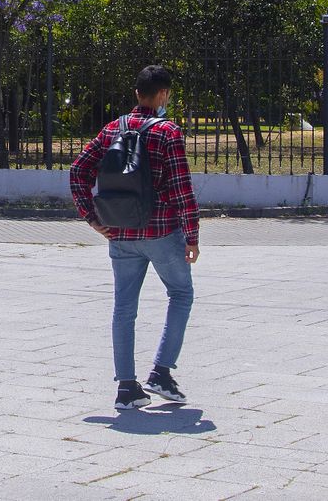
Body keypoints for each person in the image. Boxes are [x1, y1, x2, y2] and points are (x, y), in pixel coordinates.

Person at [70, 64, 199, 411]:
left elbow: (78, 170)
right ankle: (160, 372)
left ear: (136, 93)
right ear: (162, 95)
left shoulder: (113, 129)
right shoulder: (168, 132)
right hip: (160, 231)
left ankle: (127, 387)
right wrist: (192, 236)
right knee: (181, 293)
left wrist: (91, 218)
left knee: (124, 307)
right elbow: (180, 188)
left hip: (120, 232)